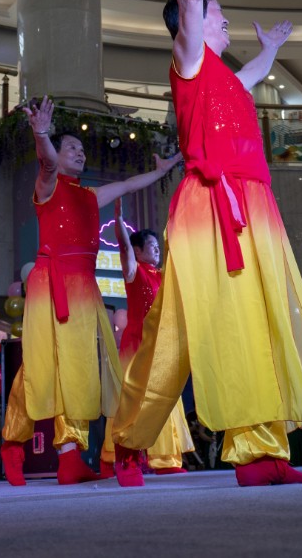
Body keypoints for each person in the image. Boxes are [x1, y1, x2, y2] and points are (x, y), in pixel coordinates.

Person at [111, 0, 302, 489]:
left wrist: (271, 50)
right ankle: (128, 440)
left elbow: (249, 77)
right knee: (171, 334)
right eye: (217, 13)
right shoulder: (188, 58)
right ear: (193, 25)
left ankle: (260, 450)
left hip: (253, 206)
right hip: (209, 207)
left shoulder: (225, 78)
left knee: (255, 321)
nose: (221, 18)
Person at [0, 96, 182, 486]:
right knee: (41, 368)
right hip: (52, 284)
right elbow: (48, 162)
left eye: (82, 149)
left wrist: (160, 172)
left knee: (82, 367)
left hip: (84, 288)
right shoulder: (47, 185)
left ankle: (71, 455)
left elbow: (130, 184)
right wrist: (41, 134)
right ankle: (13, 443)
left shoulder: (91, 196)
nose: (80, 153)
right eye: (72, 148)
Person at [98, 200, 194, 477]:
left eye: (157, 246)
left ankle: (164, 458)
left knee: (163, 395)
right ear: (138, 250)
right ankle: (112, 456)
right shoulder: (134, 272)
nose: (156, 250)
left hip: (162, 345)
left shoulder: (164, 277)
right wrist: (119, 224)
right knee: (131, 397)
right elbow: (125, 251)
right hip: (137, 344)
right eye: (151, 245)